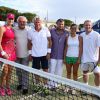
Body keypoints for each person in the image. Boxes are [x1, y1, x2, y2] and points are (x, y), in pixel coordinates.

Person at [28, 16, 52, 85]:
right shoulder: (30, 31)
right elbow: (29, 43)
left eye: (38, 22)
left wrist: (48, 53)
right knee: (36, 71)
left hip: (44, 54)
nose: (37, 23)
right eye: (36, 22)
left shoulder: (46, 30)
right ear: (34, 23)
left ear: (41, 22)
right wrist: (30, 54)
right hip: (35, 55)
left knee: (45, 70)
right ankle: (37, 85)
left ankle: (45, 85)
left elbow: (50, 41)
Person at [0, 13, 16, 96]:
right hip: (4, 55)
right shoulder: (2, 28)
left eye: (12, 19)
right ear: (6, 19)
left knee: (10, 73)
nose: (11, 20)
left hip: (12, 55)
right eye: (9, 18)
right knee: (5, 72)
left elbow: (12, 41)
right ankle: (1, 87)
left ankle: (8, 87)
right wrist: (3, 53)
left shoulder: (13, 29)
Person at [49, 19, 68, 88]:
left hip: (61, 55)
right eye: (59, 24)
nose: (61, 25)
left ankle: (56, 84)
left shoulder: (66, 33)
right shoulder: (51, 31)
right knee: (51, 70)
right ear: (56, 24)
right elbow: (49, 42)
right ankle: (50, 84)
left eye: (62, 24)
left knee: (59, 71)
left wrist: (65, 56)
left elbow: (66, 45)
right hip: (52, 54)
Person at [80, 20, 100, 87]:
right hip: (84, 59)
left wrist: (99, 59)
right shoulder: (81, 35)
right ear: (84, 26)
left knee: (97, 74)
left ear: (91, 26)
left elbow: (99, 47)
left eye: (89, 25)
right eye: (86, 25)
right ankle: (86, 88)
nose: (87, 26)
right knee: (85, 73)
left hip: (94, 59)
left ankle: (97, 89)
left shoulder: (97, 35)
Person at [64, 24, 83, 93]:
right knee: (68, 73)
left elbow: (81, 48)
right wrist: (64, 58)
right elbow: (66, 48)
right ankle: (67, 87)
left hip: (76, 58)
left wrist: (79, 58)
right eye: (72, 28)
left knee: (75, 73)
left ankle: (74, 88)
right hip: (68, 57)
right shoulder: (67, 37)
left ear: (76, 29)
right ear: (70, 29)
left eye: (75, 28)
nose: (73, 30)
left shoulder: (79, 37)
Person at [14, 16, 30, 95]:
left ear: (26, 22)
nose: (22, 23)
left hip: (26, 55)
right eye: (20, 21)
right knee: (18, 71)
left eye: (24, 22)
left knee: (25, 71)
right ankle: (20, 83)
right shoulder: (14, 29)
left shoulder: (29, 30)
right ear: (18, 22)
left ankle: (25, 87)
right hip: (16, 55)